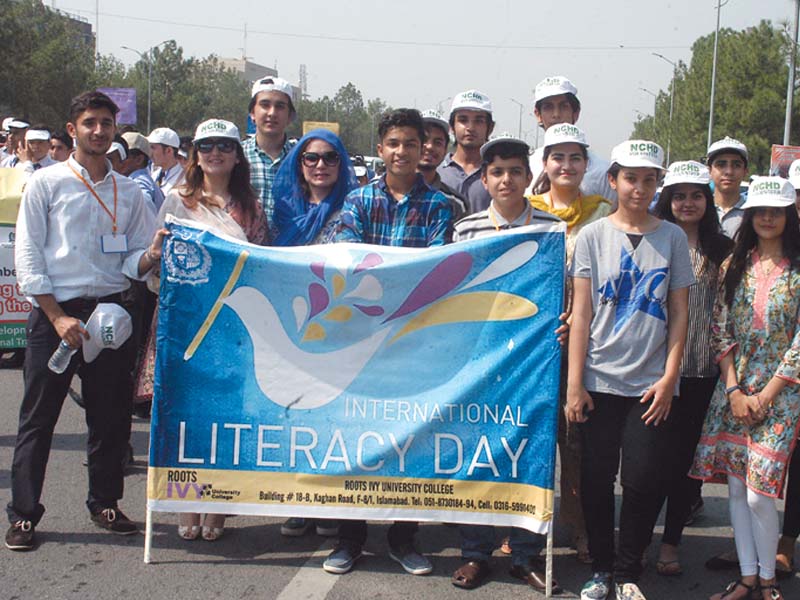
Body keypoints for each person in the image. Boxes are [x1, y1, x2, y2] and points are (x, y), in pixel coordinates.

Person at [5, 90, 158, 552]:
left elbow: (133, 259)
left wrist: (150, 256)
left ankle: (105, 502)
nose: (98, 131)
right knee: (38, 418)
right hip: (56, 317)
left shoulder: (128, 191)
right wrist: (55, 317)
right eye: (89, 123)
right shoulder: (47, 184)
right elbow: (29, 255)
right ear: (72, 130)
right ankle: (25, 515)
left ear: (116, 132)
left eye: (106, 124)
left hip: (111, 315)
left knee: (111, 417)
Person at [325, 109, 451, 577]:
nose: (402, 152)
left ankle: (403, 538)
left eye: (411, 144)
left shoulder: (439, 207)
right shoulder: (357, 202)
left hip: (413, 342)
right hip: (358, 340)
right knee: (354, 437)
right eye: (393, 143)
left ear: (425, 151)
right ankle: (349, 538)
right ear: (381, 149)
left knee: (408, 439)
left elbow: (437, 271)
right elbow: (350, 260)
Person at [566, 140, 693, 600]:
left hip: (650, 386)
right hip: (599, 382)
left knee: (642, 480)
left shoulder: (673, 238)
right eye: (631, 178)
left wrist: (669, 378)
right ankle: (601, 569)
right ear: (614, 180)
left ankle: (628, 570)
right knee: (595, 480)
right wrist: (575, 384)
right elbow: (581, 314)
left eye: (649, 179)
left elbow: (679, 314)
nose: (639, 189)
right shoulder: (592, 236)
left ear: (658, 184)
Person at [139, 118, 267, 542]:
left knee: (225, 419)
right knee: (188, 420)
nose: (215, 154)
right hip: (186, 326)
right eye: (206, 146)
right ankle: (187, 502)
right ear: (195, 154)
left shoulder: (250, 206)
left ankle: (218, 507)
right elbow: (155, 263)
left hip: (231, 328)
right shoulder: (177, 201)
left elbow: (262, 266)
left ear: (236, 155)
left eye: (224, 147)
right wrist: (156, 254)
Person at [450, 135, 563, 593]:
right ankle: (475, 553)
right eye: (496, 172)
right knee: (477, 455)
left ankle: (524, 554)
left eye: (515, 171)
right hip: (478, 363)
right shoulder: (466, 230)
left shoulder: (553, 229)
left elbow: (565, 291)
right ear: (484, 177)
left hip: (533, 362)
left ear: (527, 176)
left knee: (529, 455)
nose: (506, 180)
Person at [691, 176, 800, 600]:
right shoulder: (734, 264)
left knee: (759, 493)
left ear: (790, 215)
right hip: (734, 390)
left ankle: (769, 578)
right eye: (760, 211)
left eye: (777, 211)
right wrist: (735, 390)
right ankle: (748, 576)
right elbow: (720, 327)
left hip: (783, 392)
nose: (768, 218)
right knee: (736, 487)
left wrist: (767, 394)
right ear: (750, 215)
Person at [527, 123, 611, 564]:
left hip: (585, 345)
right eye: (557, 157)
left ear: (585, 164)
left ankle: (579, 527)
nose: (566, 165)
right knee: (526, 437)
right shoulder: (528, 211)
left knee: (576, 443)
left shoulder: (602, 211)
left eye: (575, 157)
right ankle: (520, 527)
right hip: (532, 347)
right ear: (545, 164)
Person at [650, 161, 734, 577]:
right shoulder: (651, 240)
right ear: (667, 199)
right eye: (679, 195)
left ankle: (670, 544)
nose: (687, 203)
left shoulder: (723, 250)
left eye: (696, 195)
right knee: (648, 464)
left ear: (707, 201)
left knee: (686, 466)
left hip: (702, 374)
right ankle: (636, 540)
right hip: (650, 371)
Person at [526, 76, 614, 202]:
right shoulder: (528, 165)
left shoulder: (601, 171)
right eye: (548, 107)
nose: (556, 114)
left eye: (564, 106)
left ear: (576, 113)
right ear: (538, 115)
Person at [272, 128, 357, 246]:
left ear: (341, 164)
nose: (321, 165)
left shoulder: (353, 209)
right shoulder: (285, 210)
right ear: (300, 166)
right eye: (311, 158)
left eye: (330, 157)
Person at [242, 76, 297, 232]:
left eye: (280, 106)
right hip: (244, 251)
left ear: (290, 116)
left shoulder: (303, 160)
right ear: (252, 113)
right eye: (265, 105)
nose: (272, 113)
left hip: (289, 251)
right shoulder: (236, 157)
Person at [437, 90, 494, 214]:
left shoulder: (497, 174)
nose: (470, 127)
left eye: (478, 121)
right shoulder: (437, 171)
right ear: (452, 126)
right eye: (463, 120)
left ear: (490, 128)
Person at [418, 109, 468, 224]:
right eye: (423, 140)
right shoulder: (385, 195)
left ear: (445, 149)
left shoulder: (456, 203)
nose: (430, 147)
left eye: (438, 142)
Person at [707, 136, 749, 239]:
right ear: (709, 171)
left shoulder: (753, 213)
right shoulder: (700, 210)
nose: (729, 172)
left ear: (745, 171)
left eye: (736, 165)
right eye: (721, 165)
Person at [120, 131, 164, 213]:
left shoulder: (138, 184)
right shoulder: (142, 181)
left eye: (123, 155)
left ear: (139, 159)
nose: (118, 159)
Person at [147, 127, 184, 195]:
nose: (150, 152)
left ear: (169, 151)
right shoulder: (154, 175)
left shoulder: (184, 180)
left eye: (153, 147)